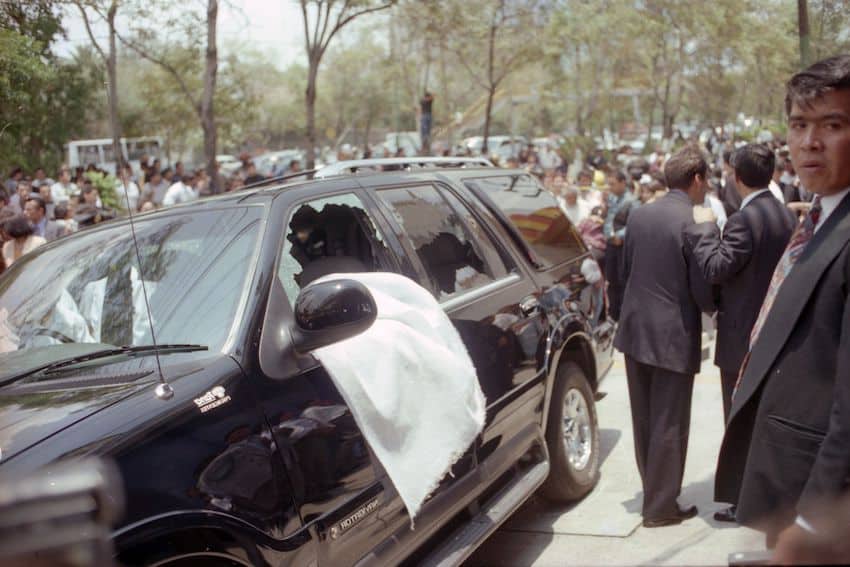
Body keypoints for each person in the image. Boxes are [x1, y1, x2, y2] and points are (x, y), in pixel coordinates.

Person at [715, 55, 850, 554]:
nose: (809, 141)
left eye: (832, 124)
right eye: (799, 125)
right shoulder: (818, 216)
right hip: (786, 483)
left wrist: (815, 521)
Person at [684, 145, 797, 525]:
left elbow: (716, 267)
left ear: (736, 176)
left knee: (737, 418)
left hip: (742, 336)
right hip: (775, 332)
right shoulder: (783, 213)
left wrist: (703, 226)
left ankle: (744, 501)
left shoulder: (743, 221)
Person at [613, 145, 714, 528]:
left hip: (636, 327)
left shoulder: (639, 216)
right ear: (697, 179)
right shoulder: (695, 220)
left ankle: (654, 492)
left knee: (645, 419)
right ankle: (660, 507)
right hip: (673, 332)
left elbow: (625, 270)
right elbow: (703, 286)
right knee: (670, 422)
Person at [603, 169, 638, 321]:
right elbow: (609, 219)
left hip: (622, 246)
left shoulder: (631, 201)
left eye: (613, 184)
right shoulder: (611, 198)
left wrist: (620, 236)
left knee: (623, 279)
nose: (610, 187)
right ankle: (613, 313)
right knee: (611, 279)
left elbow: (634, 223)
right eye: (609, 184)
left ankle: (624, 315)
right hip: (610, 243)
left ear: (623, 183)